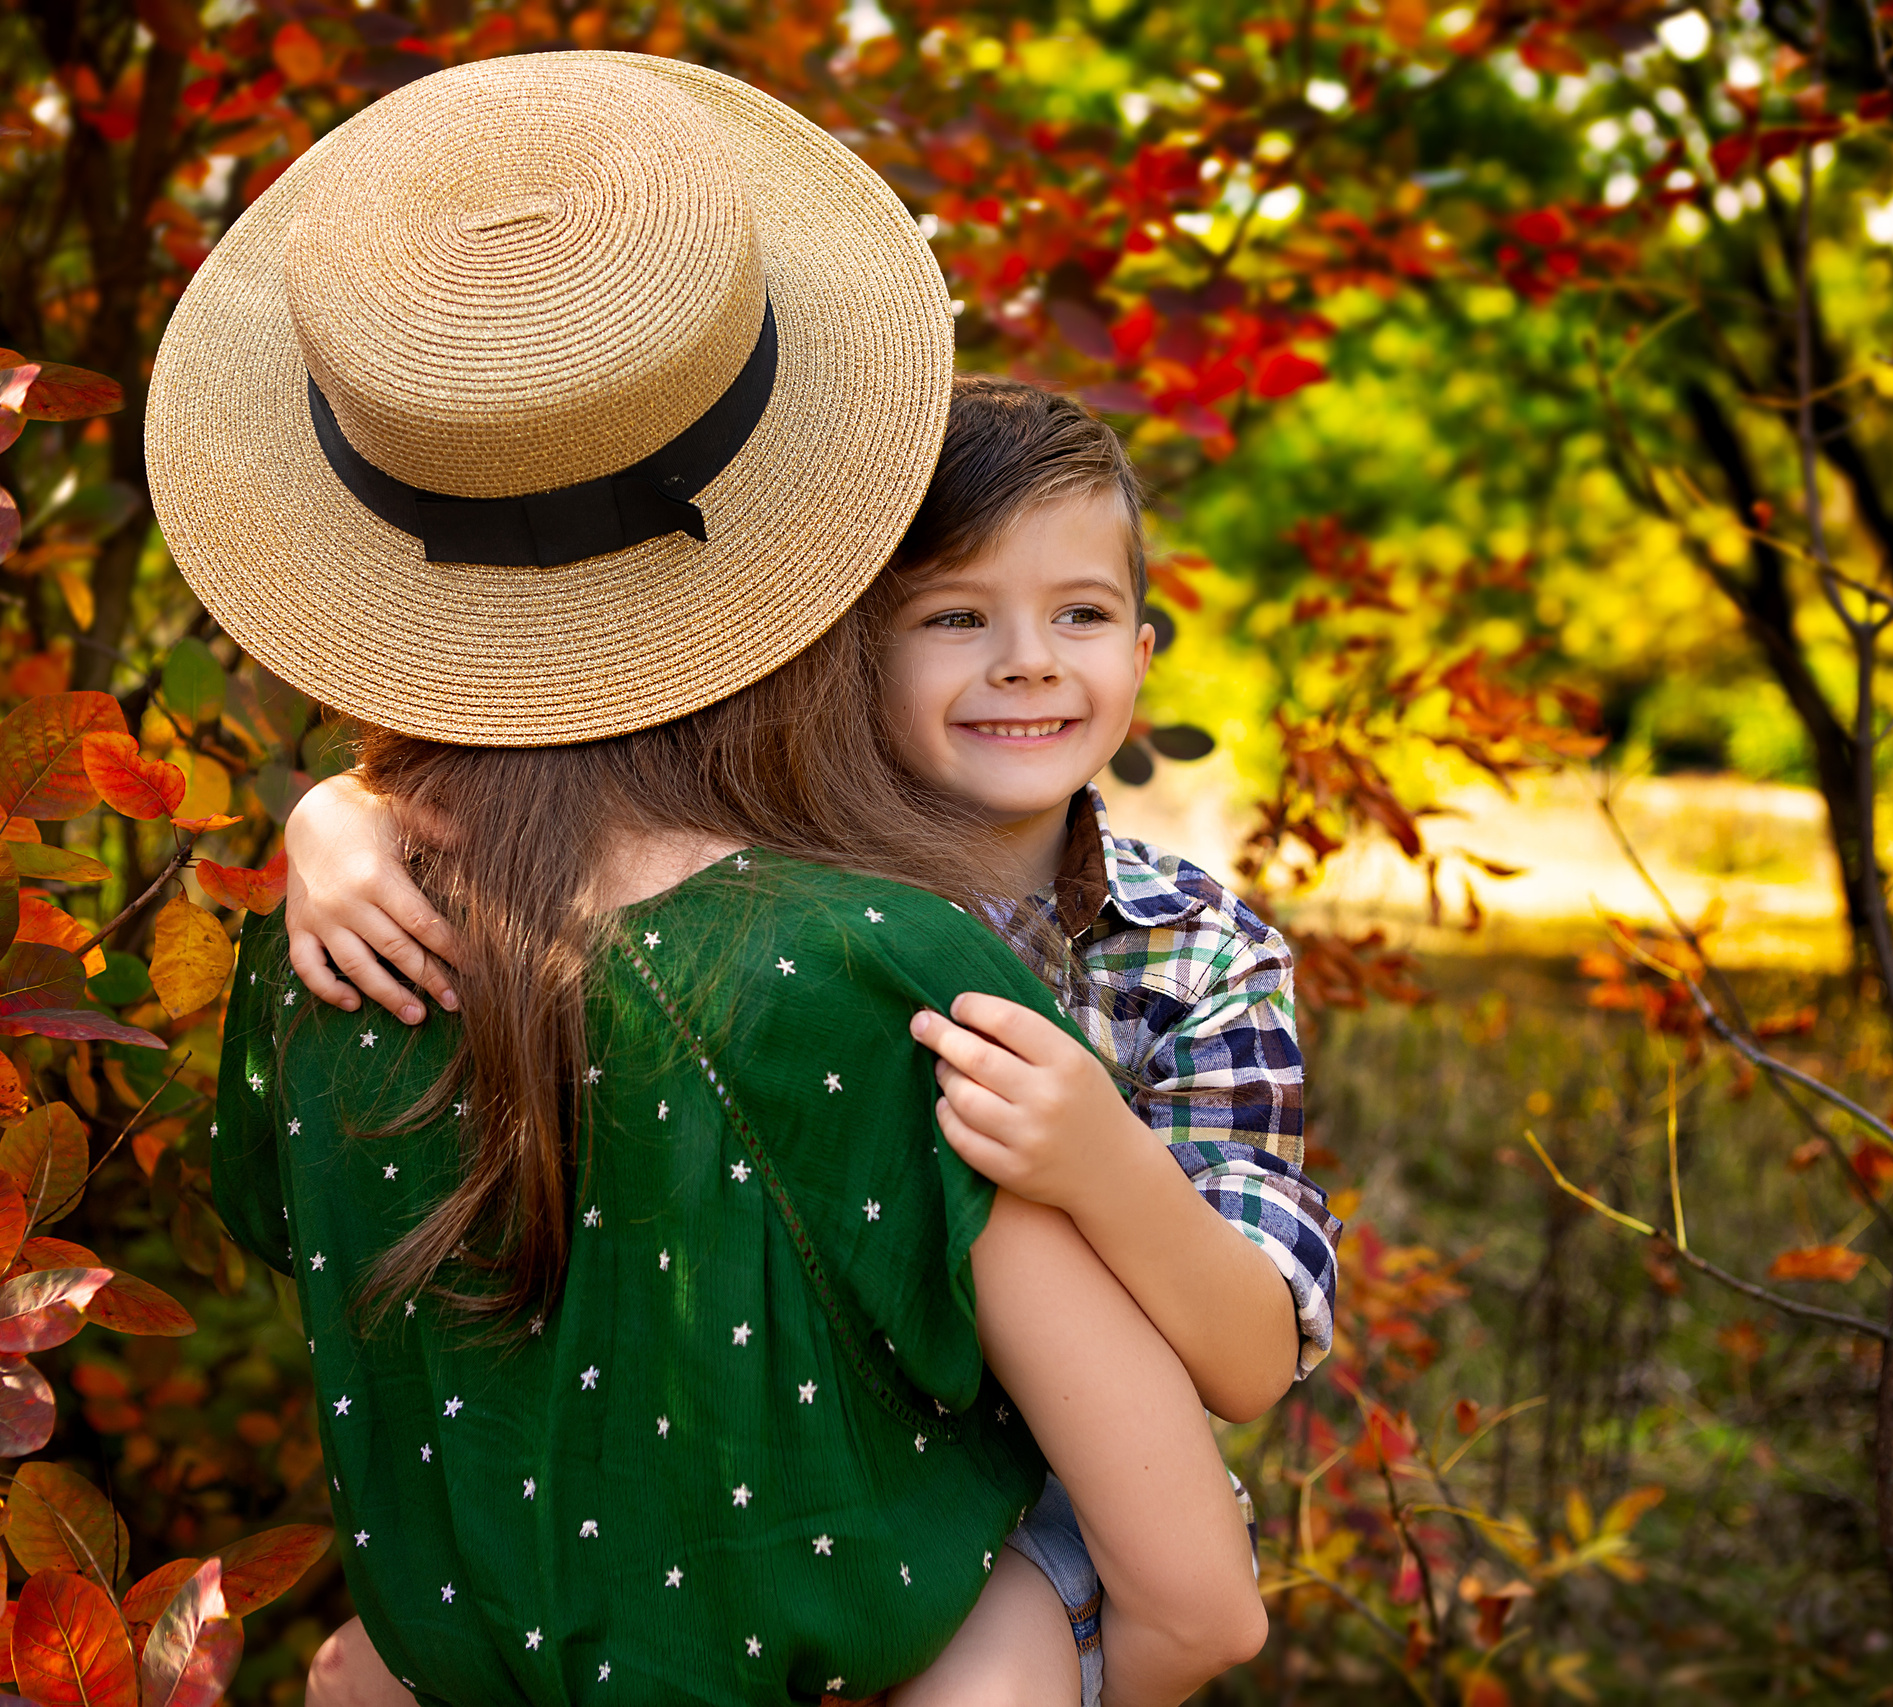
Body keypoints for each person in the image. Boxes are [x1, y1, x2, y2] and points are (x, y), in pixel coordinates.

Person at [147, 48, 1265, 1707]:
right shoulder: (880, 979)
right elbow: (1200, 1605)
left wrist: (348, 800)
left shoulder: (319, 951)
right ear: (831, 571)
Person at [281, 378, 1344, 1701]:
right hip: (765, 1483)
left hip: (1052, 1500)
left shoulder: (1192, 951)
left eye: (1084, 614)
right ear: (840, 646)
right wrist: (339, 811)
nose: (1027, 660)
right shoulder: (770, 881)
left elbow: (1248, 1363)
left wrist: (1098, 1160)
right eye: (954, 618)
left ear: (1143, 650)